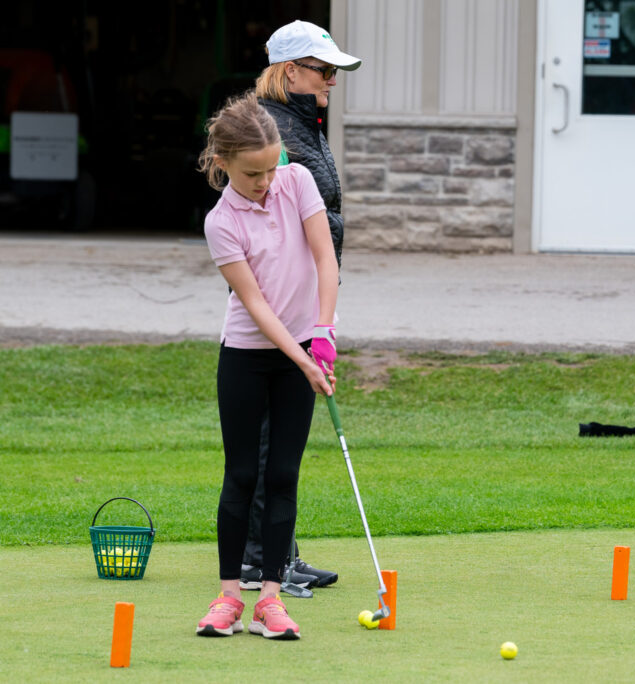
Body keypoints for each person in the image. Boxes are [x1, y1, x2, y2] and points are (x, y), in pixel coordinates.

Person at [195, 91, 339, 639]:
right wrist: (302, 357)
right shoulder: (220, 222)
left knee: (283, 475)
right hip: (247, 358)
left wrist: (322, 330)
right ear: (223, 162)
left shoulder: (297, 180)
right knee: (242, 476)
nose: (266, 181)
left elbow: (325, 256)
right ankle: (230, 597)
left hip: (304, 346)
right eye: (253, 172)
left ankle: (272, 601)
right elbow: (255, 303)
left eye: (272, 166)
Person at [235, 20, 362, 592]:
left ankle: (277, 552)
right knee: (270, 440)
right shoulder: (273, 132)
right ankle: (262, 560)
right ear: (291, 72)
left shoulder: (300, 121)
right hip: (280, 308)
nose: (332, 83)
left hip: (304, 303)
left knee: (281, 437)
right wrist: (307, 319)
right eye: (325, 70)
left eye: (336, 72)